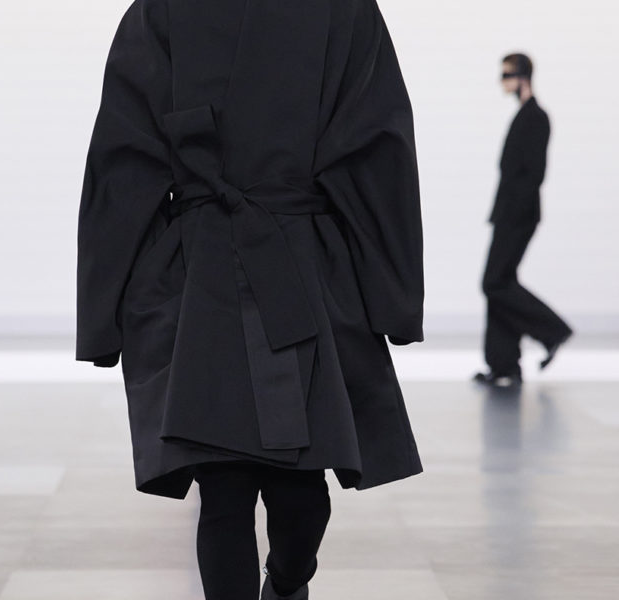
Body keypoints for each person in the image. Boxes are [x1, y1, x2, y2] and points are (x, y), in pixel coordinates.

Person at [75, 0, 425, 598]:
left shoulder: (342, 10)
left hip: (303, 271)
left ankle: (287, 581)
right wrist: (104, 309)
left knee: (300, 496)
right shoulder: (164, 11)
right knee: (224, 487)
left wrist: (393, 295)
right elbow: (125, 154)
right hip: (202, 275)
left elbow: (374, 147)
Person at [474, 53, 573, 388]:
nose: (502, 81)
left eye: (507, 75)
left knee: (494, 282)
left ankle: (553, 331)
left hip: (518, 214)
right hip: (508, 213)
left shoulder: (536, 117)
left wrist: (512, 212)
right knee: (499, 283)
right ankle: (504, 365)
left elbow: (534, 173)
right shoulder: (524, 115)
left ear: (523, 77)